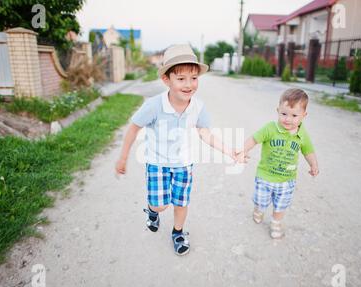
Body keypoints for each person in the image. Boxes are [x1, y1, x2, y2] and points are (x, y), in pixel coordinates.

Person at [115, 44, 236, 255]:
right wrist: (123, 158)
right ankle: (153, 211)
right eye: (181, 79)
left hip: (184, 164)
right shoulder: (154, 105)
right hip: (157, 163)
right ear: (166, 80)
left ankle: (178, 232)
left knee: (181, 202)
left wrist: (229, 151)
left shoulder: (198, 107)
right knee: (161, 205)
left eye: (194, 78)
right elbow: (134, 128)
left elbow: (205, 133)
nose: (189, 84)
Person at [236, 88, 319, 239]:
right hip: (265, 177)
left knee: (281, 205)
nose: (288, 119)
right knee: (261, 201)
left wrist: (313, 164)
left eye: (294, 115)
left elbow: (308, 151)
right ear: (278, 110)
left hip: (286, 181)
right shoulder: (270, 128)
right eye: (284, 114)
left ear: (304, 116)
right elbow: (254, 139)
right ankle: (259, 210)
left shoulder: (302, 134)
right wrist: (242, 150)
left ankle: (276, 222)